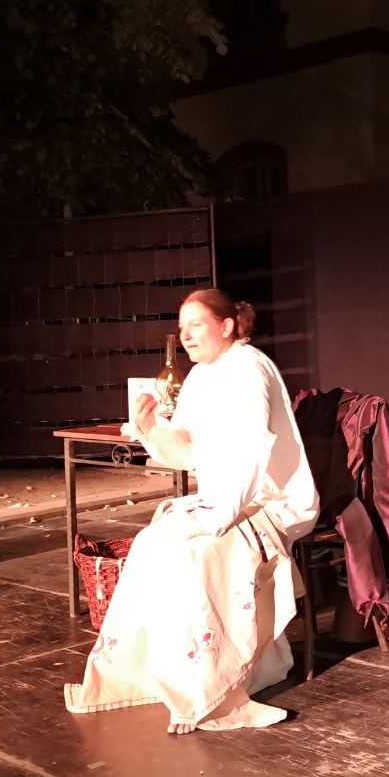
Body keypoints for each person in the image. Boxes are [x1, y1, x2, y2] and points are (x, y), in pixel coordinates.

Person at [64, 289, 319, 733]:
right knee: (151, 543)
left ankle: (217, 691)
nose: (186, 335)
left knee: (200, 554)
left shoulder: (250, 368)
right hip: (224, 498)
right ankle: (153, 675)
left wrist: (219, 516)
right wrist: (150, 429)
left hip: (271, 499)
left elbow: (253, 450)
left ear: (227, 325)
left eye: (196, 324)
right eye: (182, 327)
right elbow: (186, 450)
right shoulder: (200, 376)